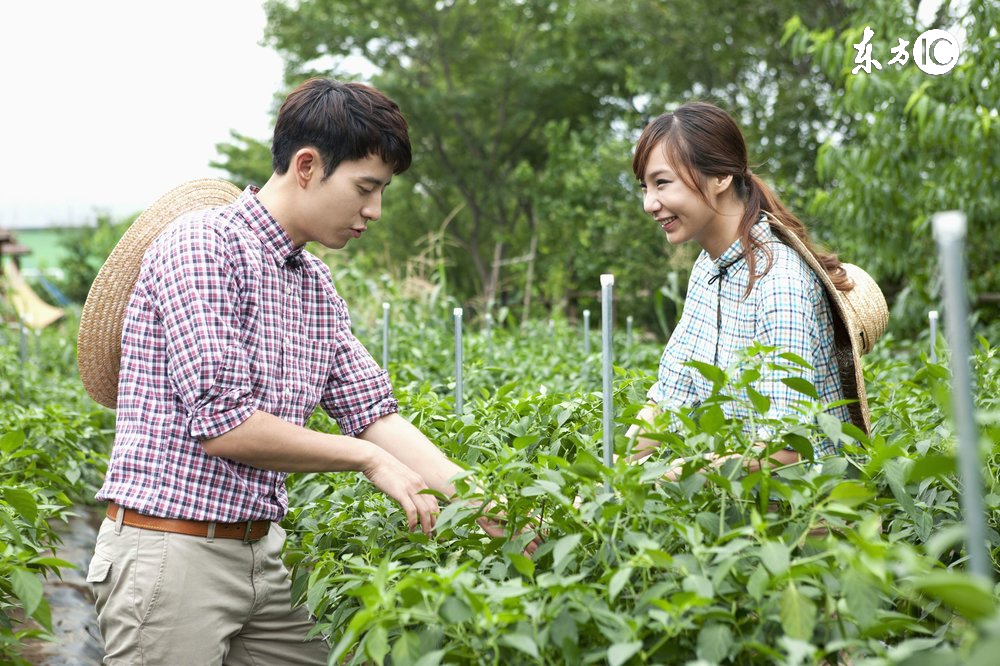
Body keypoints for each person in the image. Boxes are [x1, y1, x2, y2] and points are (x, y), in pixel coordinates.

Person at [78, 78, 519, 665]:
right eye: (366, 188)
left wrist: (481, 502)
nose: (375, 211)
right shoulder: (204, 246)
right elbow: (225, 425)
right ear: (307, 166)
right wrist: (366, 459)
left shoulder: (313, 284)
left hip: (263, 555)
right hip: (170, 553)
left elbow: (371, 411)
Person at [626, 101, 887, 476]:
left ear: (720, 177)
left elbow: (787, 451)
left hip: (805, 517)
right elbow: (671, 396)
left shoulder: (778, 282)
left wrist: (681, 474)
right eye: (645, 187)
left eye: (662, 183)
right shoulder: (708, 268)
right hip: (744, 500)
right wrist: (614, 477)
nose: (650, 204)